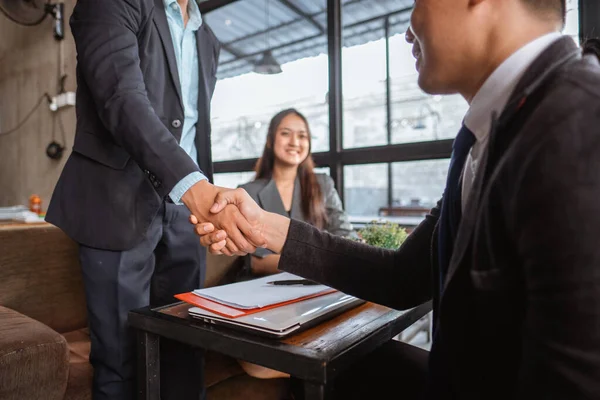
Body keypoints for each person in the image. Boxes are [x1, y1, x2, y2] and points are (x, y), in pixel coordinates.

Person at [191, 0, 600, 399]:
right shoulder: (483, 135)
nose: (408, 29)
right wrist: (264, 226)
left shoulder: (576, 121)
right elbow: (403, 277)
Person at [45, 1, 262, 399]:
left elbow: (193, 123)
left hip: (187, 214)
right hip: (116, 202)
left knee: (185, 353)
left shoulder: (206, 37)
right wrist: (195, 186)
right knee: (121, 363)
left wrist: (205, 194)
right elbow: (121, 99)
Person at [236, 108, 354, 279]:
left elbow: (344, 235)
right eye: (285, 134)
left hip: (319, 288)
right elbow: (257, 261)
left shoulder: (323, 184)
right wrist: (319, 264)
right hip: (265, 289)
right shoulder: (247, 192)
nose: (294, 142)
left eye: (302, 136)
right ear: (270, 140)